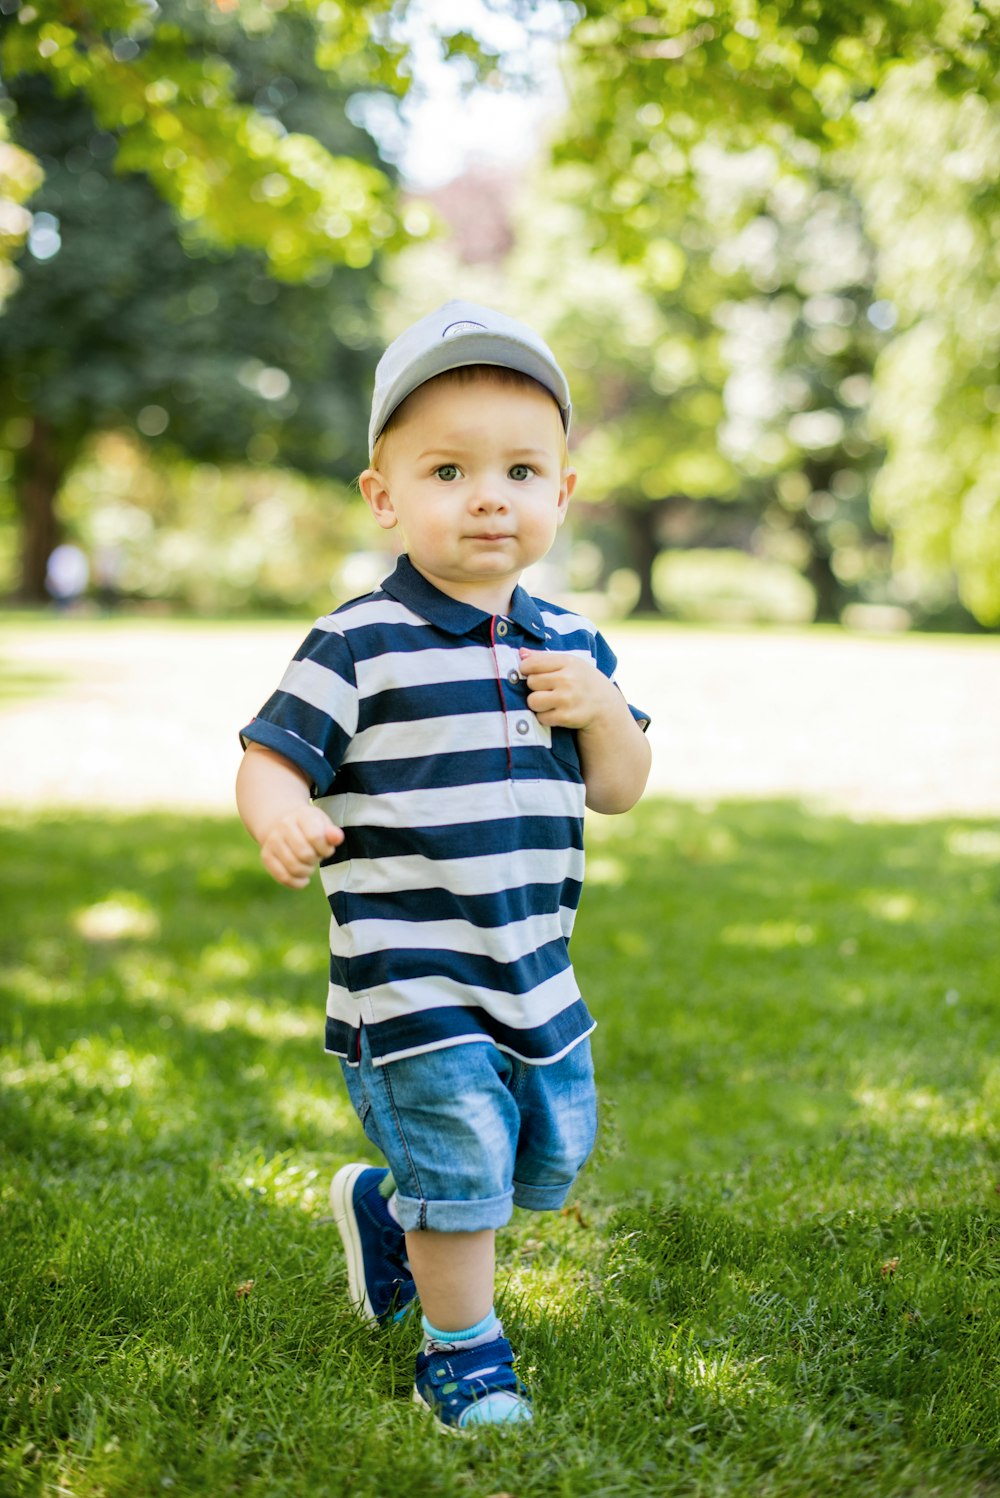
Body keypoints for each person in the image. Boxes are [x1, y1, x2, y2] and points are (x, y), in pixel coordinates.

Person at [235, 301, 651, 1431]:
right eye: (448, 468)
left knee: (537, 1153)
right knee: (463, 1157)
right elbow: (271, 754)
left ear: (561, 493)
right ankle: (462, 1350)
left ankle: (388, 1212)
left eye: (520, 469)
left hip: (533, 966)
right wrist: (278, 814)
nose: (488, 496)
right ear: (384, 497)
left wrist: (605, 712)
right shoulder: (356, 641)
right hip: (410, 975)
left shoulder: (574, 644)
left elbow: (617, 788)